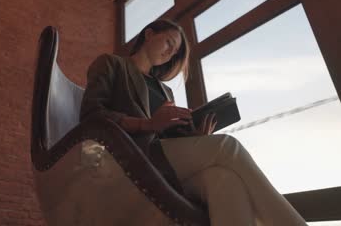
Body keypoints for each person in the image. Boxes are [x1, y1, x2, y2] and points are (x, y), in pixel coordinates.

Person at [79, 19, 307, 226]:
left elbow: (166, 137)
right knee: (228, 146)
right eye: (169, 42)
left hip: (163, 163)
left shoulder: (165, 90)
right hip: (130, 158)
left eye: (175, 52)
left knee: (225, 181)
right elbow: (91, 115)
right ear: (149, 34)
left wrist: (196, 137)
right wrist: (147, 124)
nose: (170, 53)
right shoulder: (112, 64)